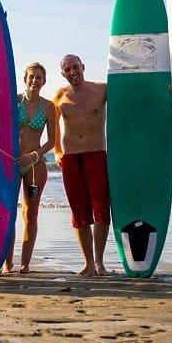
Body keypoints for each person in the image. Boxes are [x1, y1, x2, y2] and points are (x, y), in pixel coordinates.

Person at [52, 54, 110, 276]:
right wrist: (57, 150)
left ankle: (99, 263)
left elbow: (127, 99)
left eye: (75, 67)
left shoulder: (102, 90)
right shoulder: (60, 95)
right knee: (79, 212)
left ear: (83, 67)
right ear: (63, 73)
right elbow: (52, 123)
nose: (72, 72)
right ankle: (88, 264)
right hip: (71, 158)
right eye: (67, 69)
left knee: (101, 209)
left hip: (96, 154)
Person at [2, 62, 55, 274]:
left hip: (35, 167)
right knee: (9, 214)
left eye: (39, 77)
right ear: (25, 79)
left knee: (30, 215)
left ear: (44, 81)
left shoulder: (49, 107)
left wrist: (35, 155)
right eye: (31, 77)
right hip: (12, 164)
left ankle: (25, 264)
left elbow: (52, 141)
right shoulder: (14, 101)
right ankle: (7, 263)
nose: (35, 81)